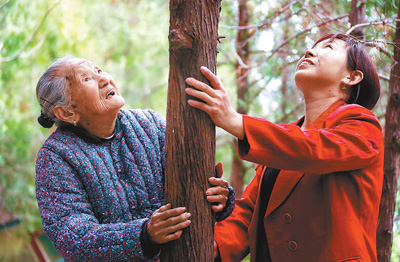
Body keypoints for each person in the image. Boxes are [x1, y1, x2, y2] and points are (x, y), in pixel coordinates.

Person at [185, 33, 383, 262]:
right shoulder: (282, 142)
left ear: (352, 76)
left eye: (328, 48)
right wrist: (204, 249)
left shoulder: (363, 125)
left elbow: (314, 149)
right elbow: (247, 215)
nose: (309, 52)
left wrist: (235, 121)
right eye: (311, 47)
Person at [35, 56, 235, 262]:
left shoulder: (150, 124)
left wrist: (219, 197)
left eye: (99, 71)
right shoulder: (56, 157)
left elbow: (191, 185)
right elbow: (73, 239)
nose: (104, 80)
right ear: (67, 112)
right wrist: (144, 236)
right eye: (87, 79)